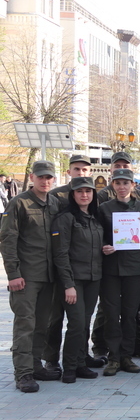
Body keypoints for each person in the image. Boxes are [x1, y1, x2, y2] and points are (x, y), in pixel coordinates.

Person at [0, 161, 60, 392]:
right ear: (32, 177)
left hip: (48, 275)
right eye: (41, 177)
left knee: (42, 324)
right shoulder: (19, 203)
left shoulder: (54, 202)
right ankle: (23, 374)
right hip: (26, 276)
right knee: (25, 325)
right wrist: (13, 274)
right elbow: (7, 239)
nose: (45, 181)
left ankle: (36, 366)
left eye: (49, 178)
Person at [43, 154, 95, 372]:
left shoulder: (93, 197)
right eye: (76, 169)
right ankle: (52, 358)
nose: (80, 173)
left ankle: (81, 356)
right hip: (59, 269)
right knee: (55, 318)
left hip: (85, 271)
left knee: (81, 320)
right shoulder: (55, 196)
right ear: (68, 171)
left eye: (84, 170)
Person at [98, 168, 140, 377]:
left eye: (126, 183)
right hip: (111, 268)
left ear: (133, 185)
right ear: (113, 185)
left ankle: (127, 357)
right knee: (111, 314)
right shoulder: (104, 208)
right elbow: (98, 235)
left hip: (134, 268)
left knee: (130, 314)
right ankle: (113, 357)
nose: (122, 187)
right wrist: (104, 246)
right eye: (118, 183)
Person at [50, 176, 103, 382]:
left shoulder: (95, 217)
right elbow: (60, 254)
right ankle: (70, 367)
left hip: (93, 278)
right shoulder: (65, 218)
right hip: (74, 280)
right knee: (76, 323)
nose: (84, 195)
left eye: (88, 191)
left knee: (85, 323)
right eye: (80, 191)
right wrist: (68, 284)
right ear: (73, 194)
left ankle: (81, 363)